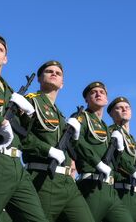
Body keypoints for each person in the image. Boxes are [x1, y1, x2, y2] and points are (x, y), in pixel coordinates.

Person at [0, 34, 47, 221]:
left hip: (16, 164)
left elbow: (24, 131)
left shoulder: (10, 91)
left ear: (5, 58)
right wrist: (1, 121)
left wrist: (28, 114)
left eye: (0, 49)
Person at [20, 60, 94, 222]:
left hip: (68, 182)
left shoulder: (60, 114)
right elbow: (21, 137)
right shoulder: (31, 101)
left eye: (58, 73)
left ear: (62, 84)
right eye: (49, 71)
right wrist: (47, 150)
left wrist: (73, 138)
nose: (54, 74)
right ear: (39, 79)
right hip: (45, 178)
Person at [74, 82, 131, 221]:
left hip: (109, 188)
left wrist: (120, 149)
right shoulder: (82, 117)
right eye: (93, 92)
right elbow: (77, 143)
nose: (99, 94)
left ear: (106, 99)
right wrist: (97, 163)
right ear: (86, 100)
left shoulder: (106, 127)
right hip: (92, 184)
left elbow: (115, 162)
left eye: (102, 92)